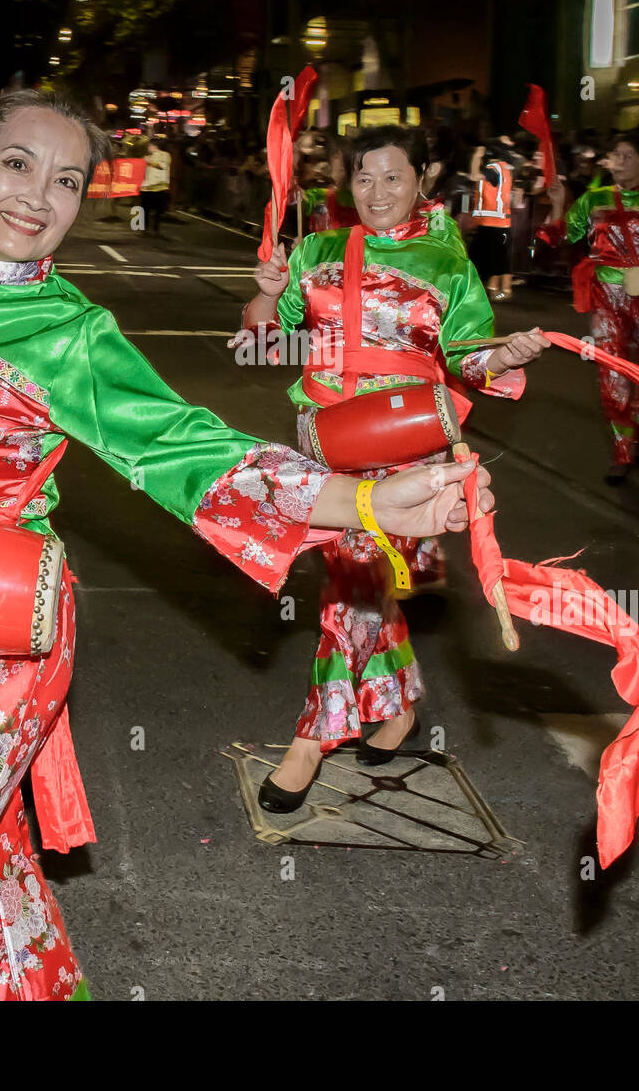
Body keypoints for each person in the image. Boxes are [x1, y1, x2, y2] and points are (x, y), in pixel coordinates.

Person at [0, 11, 494, 1001]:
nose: (40, 196)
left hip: (0, 647)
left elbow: (189, 449)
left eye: (67, 180)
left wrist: (373, 501)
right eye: (16, 166)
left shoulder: (70, 333)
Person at [236, 124, 547, 812]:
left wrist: (504, 356)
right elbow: (262, 334)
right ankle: (398, 706)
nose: (377, 193)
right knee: (361, 588)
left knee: (352, 590)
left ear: (423, 178)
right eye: (363, 179)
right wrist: (265, 290)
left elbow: (468, 354)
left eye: (393, 178)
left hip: (405, 451)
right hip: (323, 441)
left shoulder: (447, 261)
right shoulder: (318, 246)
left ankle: (312, 740)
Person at [537, 127, 639, 485]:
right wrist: (558, 203)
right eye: (615, 155)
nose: (618, 163)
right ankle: (622, 449)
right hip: (607, 297)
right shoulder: (594, 198)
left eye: (628, 156)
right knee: (612, 372)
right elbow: (560, 236)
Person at [468, 137, 515, 300]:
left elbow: (474, 176)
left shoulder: (493, 168)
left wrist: (476, 156)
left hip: (492, 223)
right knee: (498, 258)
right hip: (497, 221)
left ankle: (501, 290)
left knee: (490, 258)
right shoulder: (504, 168)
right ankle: (496, 289)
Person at [140, 129, 171, 234]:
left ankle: (156, 229)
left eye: (149, 146)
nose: (148, 148)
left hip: (159, 187)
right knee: (145, 210)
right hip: (146, 187)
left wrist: (150, 162)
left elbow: (163, 166)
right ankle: (144, 228)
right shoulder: (147, 157)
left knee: (158, 211)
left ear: (154, 146)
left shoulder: (165, 155)